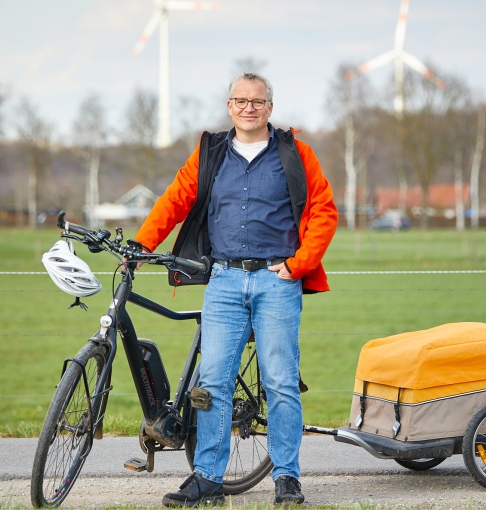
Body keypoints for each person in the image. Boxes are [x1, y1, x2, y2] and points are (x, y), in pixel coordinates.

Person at [134, 71, 338, 507]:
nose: (249, 107)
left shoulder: (296, 154)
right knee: (213, 383)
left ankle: (286, 478)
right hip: (224, 280)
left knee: (280, 382)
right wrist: (142, 243)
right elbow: (176, 197)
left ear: (270, 107)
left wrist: (298, 265)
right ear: (229, 106)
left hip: (276, 281)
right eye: (240, 101)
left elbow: (324, 212)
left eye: (257, 101)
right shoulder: (210, 153)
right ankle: (207, 478)